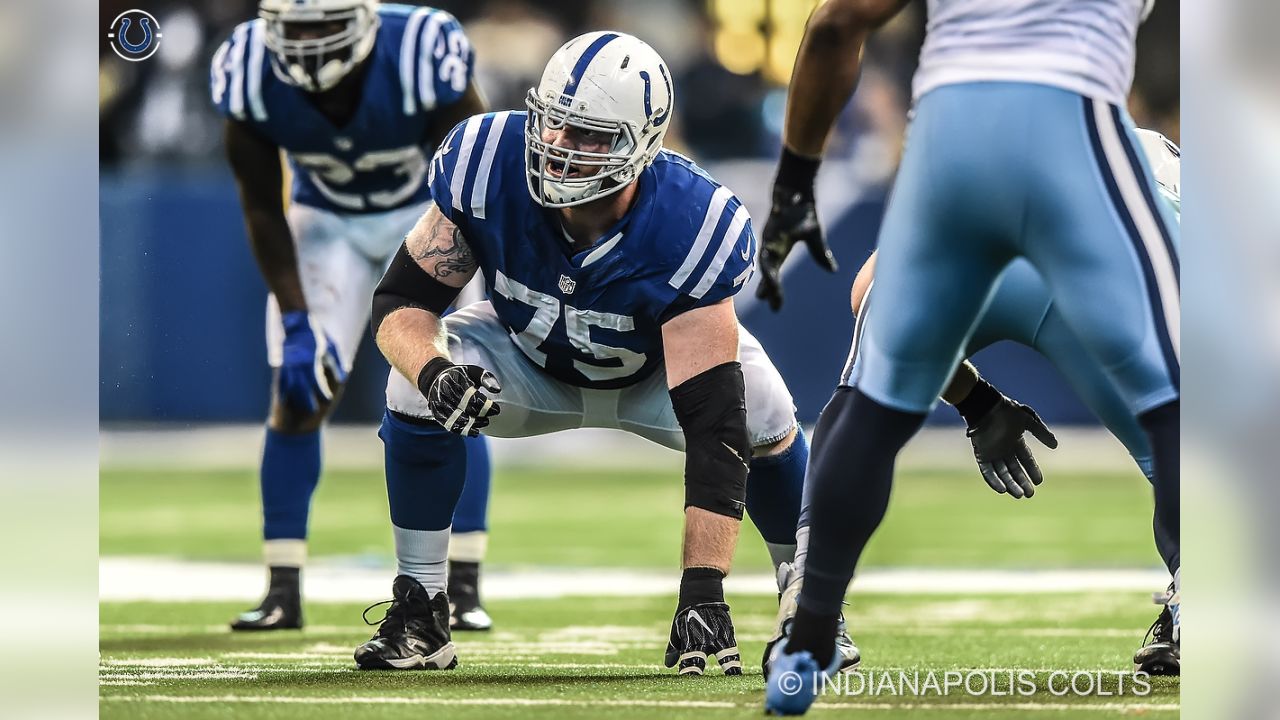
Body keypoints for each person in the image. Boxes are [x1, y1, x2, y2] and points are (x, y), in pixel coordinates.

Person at [352, 31, 845, 674]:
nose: (559, 148)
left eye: (590, 136)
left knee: (763, 414)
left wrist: (703, 591)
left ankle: (810, 609)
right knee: (410, 386)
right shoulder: (485, 160)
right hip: (526, 360)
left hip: (654, 375)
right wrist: (436, 369)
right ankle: (419, 611)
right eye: (555, 124)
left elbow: (714, 427)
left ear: (643, 146)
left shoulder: (691, 221)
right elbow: (400, 304)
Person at [759, 1, 1180, 712]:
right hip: (1075, 142)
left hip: (951, 144)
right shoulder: (1160, 168)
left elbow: (834, 24)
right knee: (1186, 416)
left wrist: (795, 181)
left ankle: (811, 627)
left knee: (873, 399)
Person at [210, 0, 493, 632]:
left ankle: (464, 586)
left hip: (425, 216)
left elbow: (478, 171)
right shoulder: (248, 63)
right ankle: (282, 587)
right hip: (325, 223)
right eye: (295, 28)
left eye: (322, 26)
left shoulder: (420, 46)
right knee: (298, 390)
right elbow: (260, 205)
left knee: (455, 389)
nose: (308, 43)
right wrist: (293, 322)